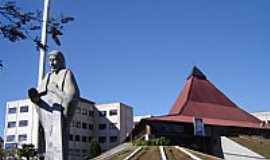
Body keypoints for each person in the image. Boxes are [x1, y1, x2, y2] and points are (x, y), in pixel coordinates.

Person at [28, 50, 80, 160]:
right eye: (50, 60)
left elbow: (72, 96)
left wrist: (56, 91)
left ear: (61, 61)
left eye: (54, 60)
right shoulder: (48, 76)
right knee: (49, 141)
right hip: (48, 117)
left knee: (59, 142)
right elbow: (39, 96)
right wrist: (35, 98)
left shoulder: (66, 73)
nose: (51, 63)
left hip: (59, 115)